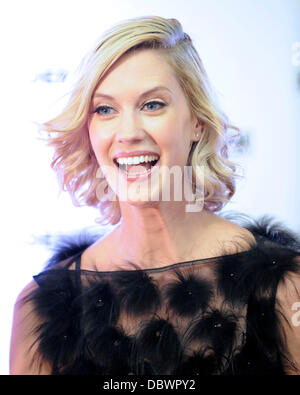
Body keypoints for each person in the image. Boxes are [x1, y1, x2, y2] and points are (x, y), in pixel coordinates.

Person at [9, 16, 300, 375]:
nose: (128, 132)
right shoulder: (41, 309)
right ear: (88, 128)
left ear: (196, 122)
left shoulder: (285, 288)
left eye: (152, 105)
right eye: (105, 109)